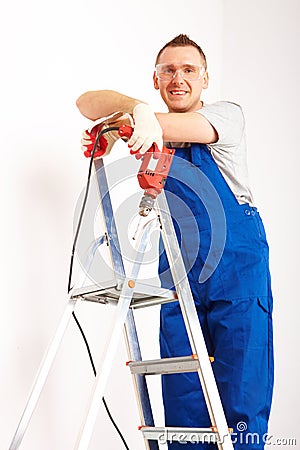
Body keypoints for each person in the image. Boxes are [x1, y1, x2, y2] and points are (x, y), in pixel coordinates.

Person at [77, 34, 274, 450]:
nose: (178, 79)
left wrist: (127, 123)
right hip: (181, 271)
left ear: (205, 79)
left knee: (242, 390)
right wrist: (133, 113)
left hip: (237, 268)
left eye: (189, 70)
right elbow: (85, 102)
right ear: (155, 79)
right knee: (184, 396)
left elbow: (179, 128)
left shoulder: (226, 116)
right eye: (168, 70)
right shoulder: (150, 126)